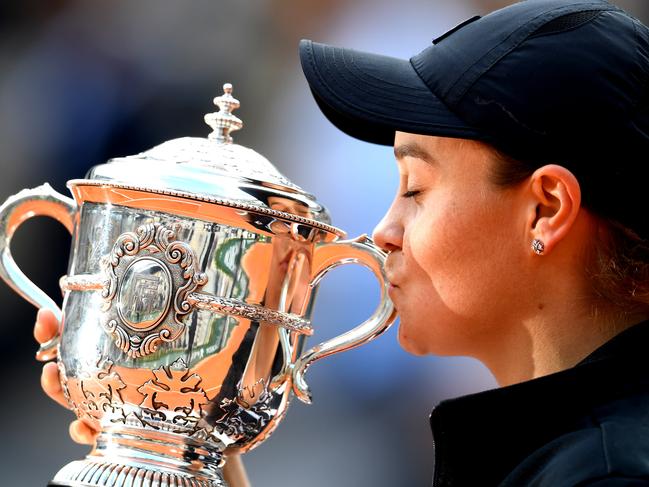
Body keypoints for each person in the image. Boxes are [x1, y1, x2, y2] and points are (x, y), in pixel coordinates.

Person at [36, 0, 649, 485]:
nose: (383, 232)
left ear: (545, 209)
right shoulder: (574, 450)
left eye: (415, 189)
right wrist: (181, 442)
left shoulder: (604, 472)